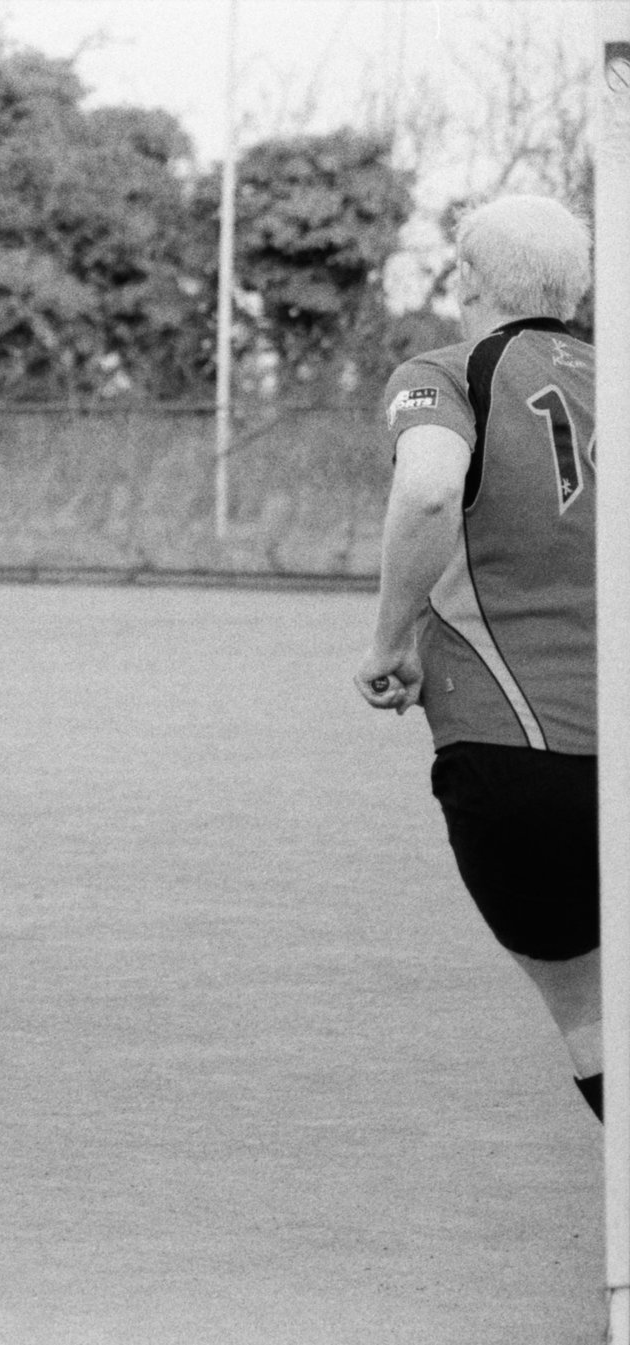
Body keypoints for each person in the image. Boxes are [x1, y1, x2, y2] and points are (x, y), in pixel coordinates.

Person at [352, 193, 602, 1122]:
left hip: (518, 754)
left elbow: (425, 491)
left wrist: (388, 638)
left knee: (592, 1018)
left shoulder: (446, 372)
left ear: (467, 281)